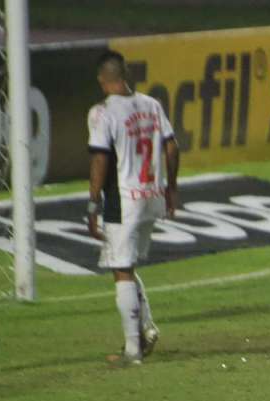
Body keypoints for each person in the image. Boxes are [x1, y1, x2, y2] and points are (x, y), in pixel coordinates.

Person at [86, 50, 179, 365]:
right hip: (151, 195)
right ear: (124, 75)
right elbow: (171, 146)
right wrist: (171, 189)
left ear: (102, 79)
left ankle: (132, 351)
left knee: (121, 269)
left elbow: (100, 158)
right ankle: (146, 330)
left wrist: (92, 202)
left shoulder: (103, 112)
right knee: (126, 265)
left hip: (124, 199)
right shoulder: (152, 104)